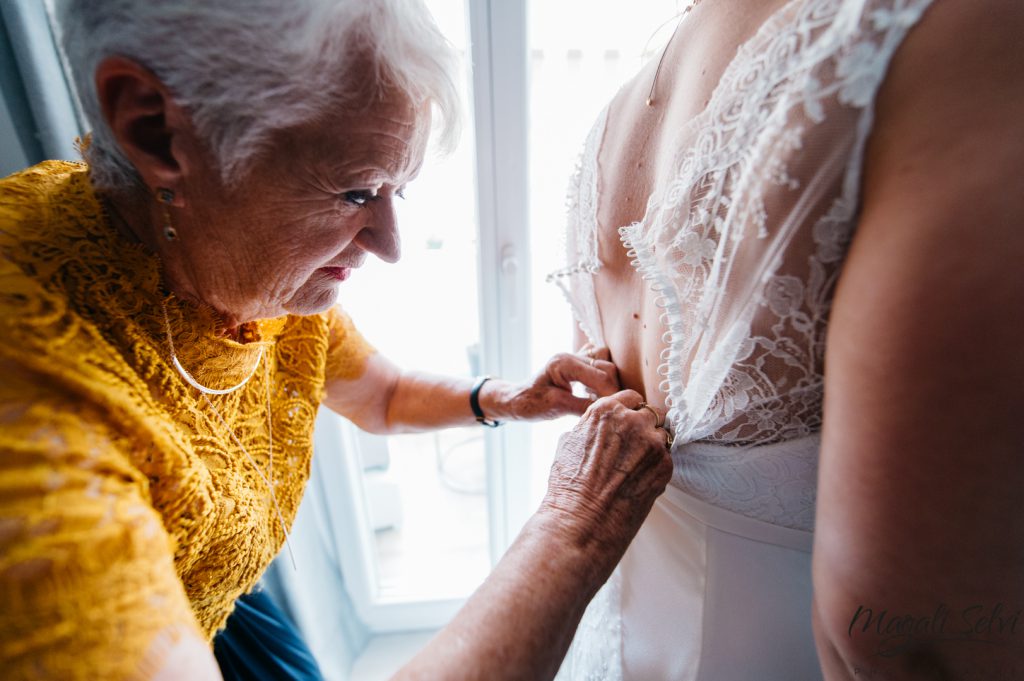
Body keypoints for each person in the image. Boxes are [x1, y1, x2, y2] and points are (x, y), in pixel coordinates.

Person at [0, 1, 674, 680]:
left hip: (228, 610)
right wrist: (576, 523)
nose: (390, 246)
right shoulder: (32, 434)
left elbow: (382, 395)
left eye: (396, 193)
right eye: (356, 192)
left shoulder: (245, 266)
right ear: (156, 131)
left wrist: (507, 397)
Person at [551, 0, 1024, 678]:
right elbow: (911, 641)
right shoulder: (961, 31)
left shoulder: (622, 108)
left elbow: (598, 397)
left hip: (607, 644)